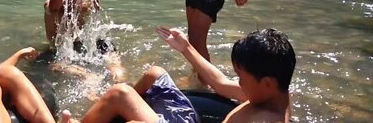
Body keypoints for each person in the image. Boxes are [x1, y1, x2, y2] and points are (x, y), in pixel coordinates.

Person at [62, 27, 296, 123]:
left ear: (266, 82)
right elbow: (220, 83)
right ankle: (107, 109)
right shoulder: (270, 94)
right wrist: (186, 47)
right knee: (156, 74)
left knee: (120, 93)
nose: (239, 83)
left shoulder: (265, 120)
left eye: (242, 78)